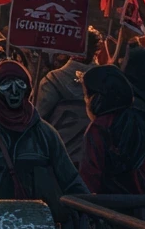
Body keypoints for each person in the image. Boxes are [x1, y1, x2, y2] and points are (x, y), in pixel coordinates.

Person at [0, 60, 88, 216]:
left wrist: (91, 210)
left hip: (39, 226)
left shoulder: (45, 133)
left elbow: (70, 179)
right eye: (6, 84)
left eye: (20, 84)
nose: (14, 91)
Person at [79, 65, 145, 195]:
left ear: (95, 98)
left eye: (85, 95)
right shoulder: (144, 119)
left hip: (116, 211)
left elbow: (90, 180)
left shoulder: (99, 129)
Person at [36, 28, 102, 169]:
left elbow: (37, 120)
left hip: (61, 160)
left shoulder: (52, 80)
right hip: (98, 161)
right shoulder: (107, 80)